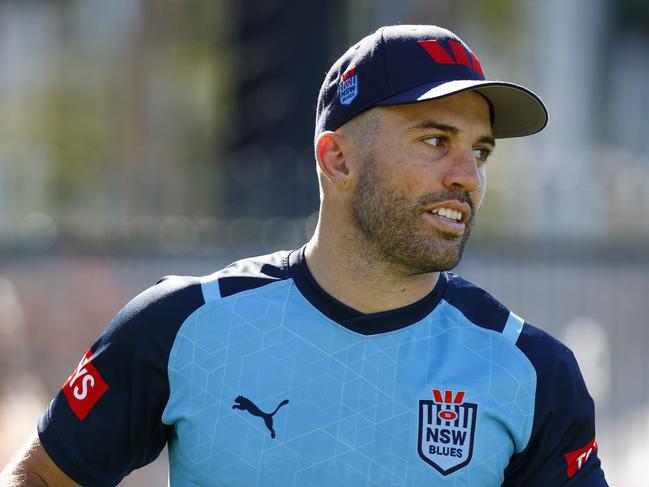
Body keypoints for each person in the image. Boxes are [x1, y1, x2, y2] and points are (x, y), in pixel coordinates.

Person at [0, 24, 607, 486]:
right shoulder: (181, 325)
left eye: (481, 151)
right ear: (337, 158)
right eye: (434, 140)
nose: (467, 176)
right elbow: (38, 477)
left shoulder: (533, 370)